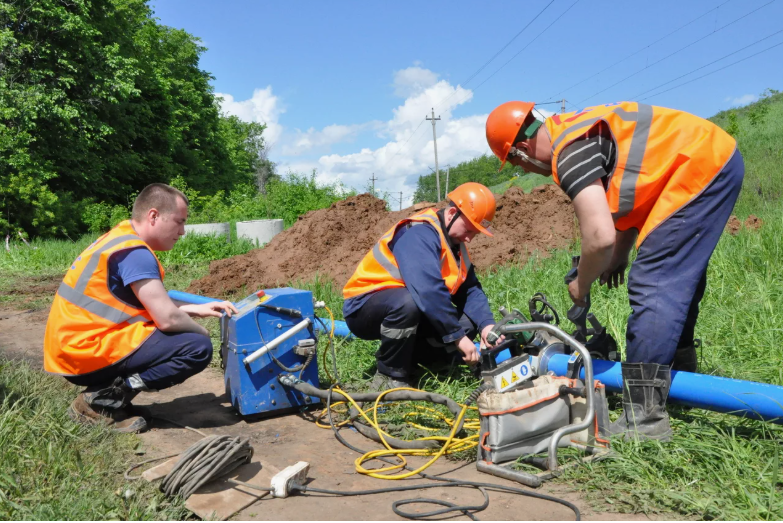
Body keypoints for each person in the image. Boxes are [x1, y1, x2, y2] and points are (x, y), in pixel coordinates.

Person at [485, 100, 743, 439]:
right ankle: (681, 380)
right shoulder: (577, 130)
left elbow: (598, 237)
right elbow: (630, 196)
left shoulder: (570, 154)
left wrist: (582, 282)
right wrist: (621, 254)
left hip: (700, 166)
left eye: (520, 165)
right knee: (677, 275)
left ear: (521, 151)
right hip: (706, 158)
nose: (531, 172)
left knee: (655, 283)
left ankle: (644, 417)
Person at [44, 183, 237, 433]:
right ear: (154, 215)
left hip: (72, 348)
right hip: (85, 351)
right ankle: (99, 403)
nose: (183, 231)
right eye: (179, 221)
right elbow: (167, 318)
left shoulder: (120, 239)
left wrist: (195, 308)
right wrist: (201, 330)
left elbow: (145, 301)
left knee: (174, 337)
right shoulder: (135, 253)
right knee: (196, 347)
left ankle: (111, 401)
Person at [342, 182, 503, 391]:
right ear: (452, 212)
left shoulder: (455, 244)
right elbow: (428, 291)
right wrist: (457, 337)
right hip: (365, 306)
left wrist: (487, 325)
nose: (469, 239)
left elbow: (470, 289)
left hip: (411, 305)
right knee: (408, 304)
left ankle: (422, 365)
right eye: (469, 230)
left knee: (469, 320)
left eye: (476, 233)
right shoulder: (418, 233)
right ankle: (389, 376)